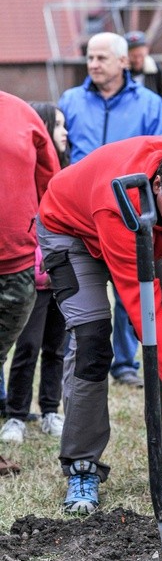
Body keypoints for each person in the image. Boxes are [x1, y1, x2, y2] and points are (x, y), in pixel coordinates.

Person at [36, 136, 162, 514]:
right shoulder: (117, 201)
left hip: (152, 233)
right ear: (158, 186)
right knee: (92, 341)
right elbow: (145, 316)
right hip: (74, 230)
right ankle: (82, 464)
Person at [59, 31, 162, 389]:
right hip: (80, 215)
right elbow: (60, 152)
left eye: (101, 58)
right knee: (84, 296)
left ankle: (126, 363)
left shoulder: (149, 103)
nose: (93, 64)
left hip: (129, 212)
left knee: (131, 290)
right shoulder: (71, 99)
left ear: (123, 61)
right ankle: (85, 362)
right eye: (90, 58)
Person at [0, 104, 68, 443]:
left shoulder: (67, 172)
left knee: (56, 347)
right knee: (27, 347)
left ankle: (50, 409)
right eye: (58, 125)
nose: (65, 132)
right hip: (34, 276)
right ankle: (15, 414)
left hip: (54, 277)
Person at [124, 30, 162, 131]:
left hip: (151, 120)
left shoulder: (155, 70)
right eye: (133, 56)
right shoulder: (121, 73)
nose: (137, 60)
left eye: (140, 55)